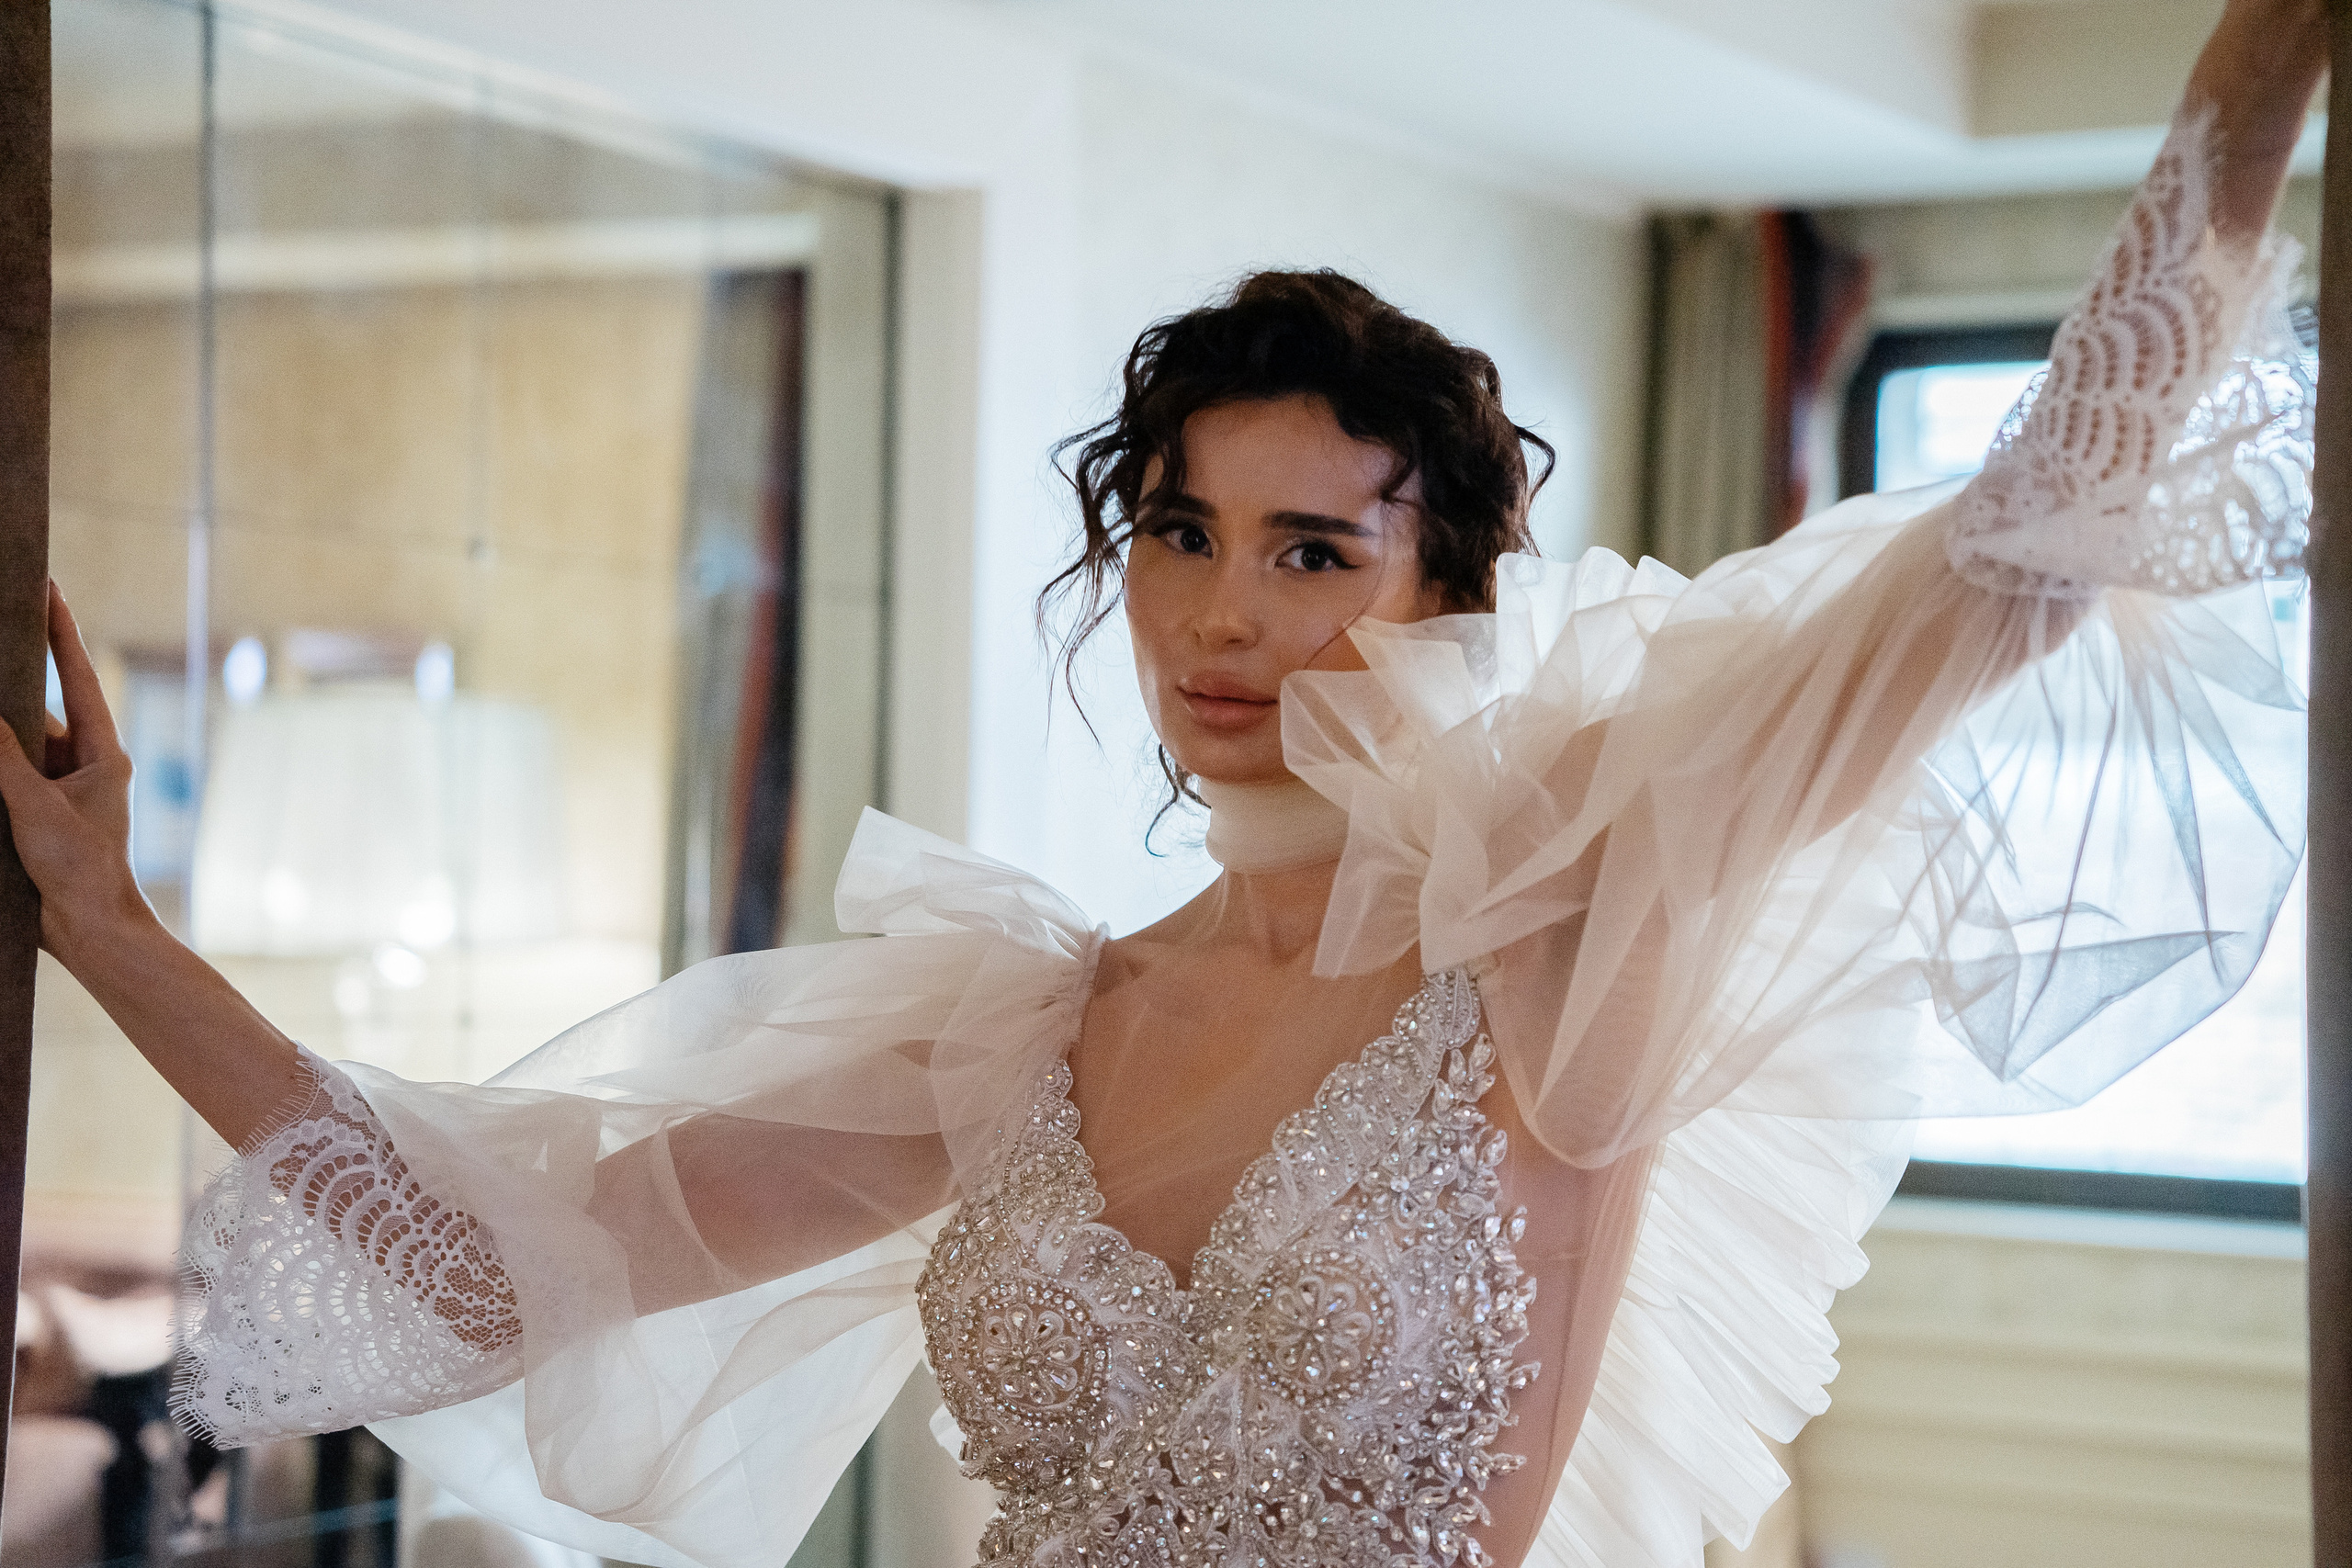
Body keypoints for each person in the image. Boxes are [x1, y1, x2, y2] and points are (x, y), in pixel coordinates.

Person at [0, 3, 2323, 1564]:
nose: (1220, 618)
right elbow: (500, 1259)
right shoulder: (1025, 1021)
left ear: (1442, 586)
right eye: (1176, 537)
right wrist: (110, 927)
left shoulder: (1575, 923)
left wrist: (2247, 59)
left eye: (1311, 548)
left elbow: (2019, 545)